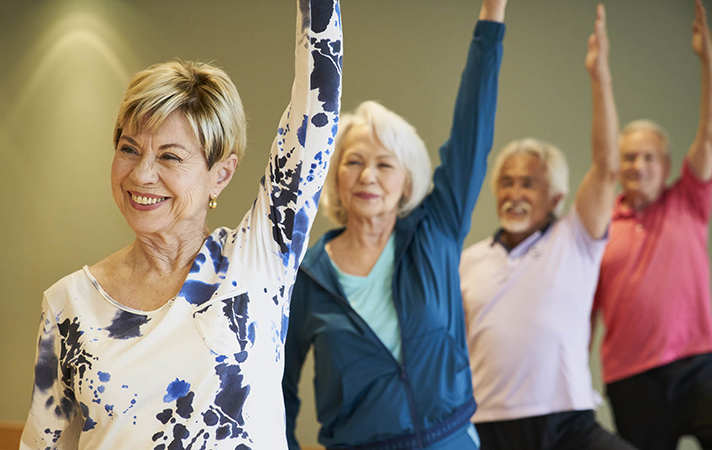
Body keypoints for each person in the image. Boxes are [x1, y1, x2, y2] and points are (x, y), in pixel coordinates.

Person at [19, 1, 342, 448]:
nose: (141, 174)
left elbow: (317, 109)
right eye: (129, 148)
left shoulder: (258, 261)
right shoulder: (68, 305)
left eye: (170, 156)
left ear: (220, 174)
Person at [281, 1, 506, 449]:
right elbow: (277, 385)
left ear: (407, 182)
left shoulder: (435, 232)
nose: (368, 176)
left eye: (385, 165)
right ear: (337, 176)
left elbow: (472, 132)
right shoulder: (305, 275)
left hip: (452, 440)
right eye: (355, 162)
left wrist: (492, 17)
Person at [459, 6, 636, 449]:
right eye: (506, 182)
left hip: (566, 422)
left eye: (528, 183)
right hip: (487, 425)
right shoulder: (467, 261)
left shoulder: (574, 238)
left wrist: (600, 77)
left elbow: (607, 169)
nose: (514, 192)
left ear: (555, 197)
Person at [592, 1, 712, 448]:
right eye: (629, 157)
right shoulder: (601, 223)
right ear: (617, 166)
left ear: (666, 165)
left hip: (698, 363)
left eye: (649, 157)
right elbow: (580, 310)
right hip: (630, 377)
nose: (638, 165)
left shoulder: (689, 200)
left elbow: (709, 131)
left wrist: (707, 62)